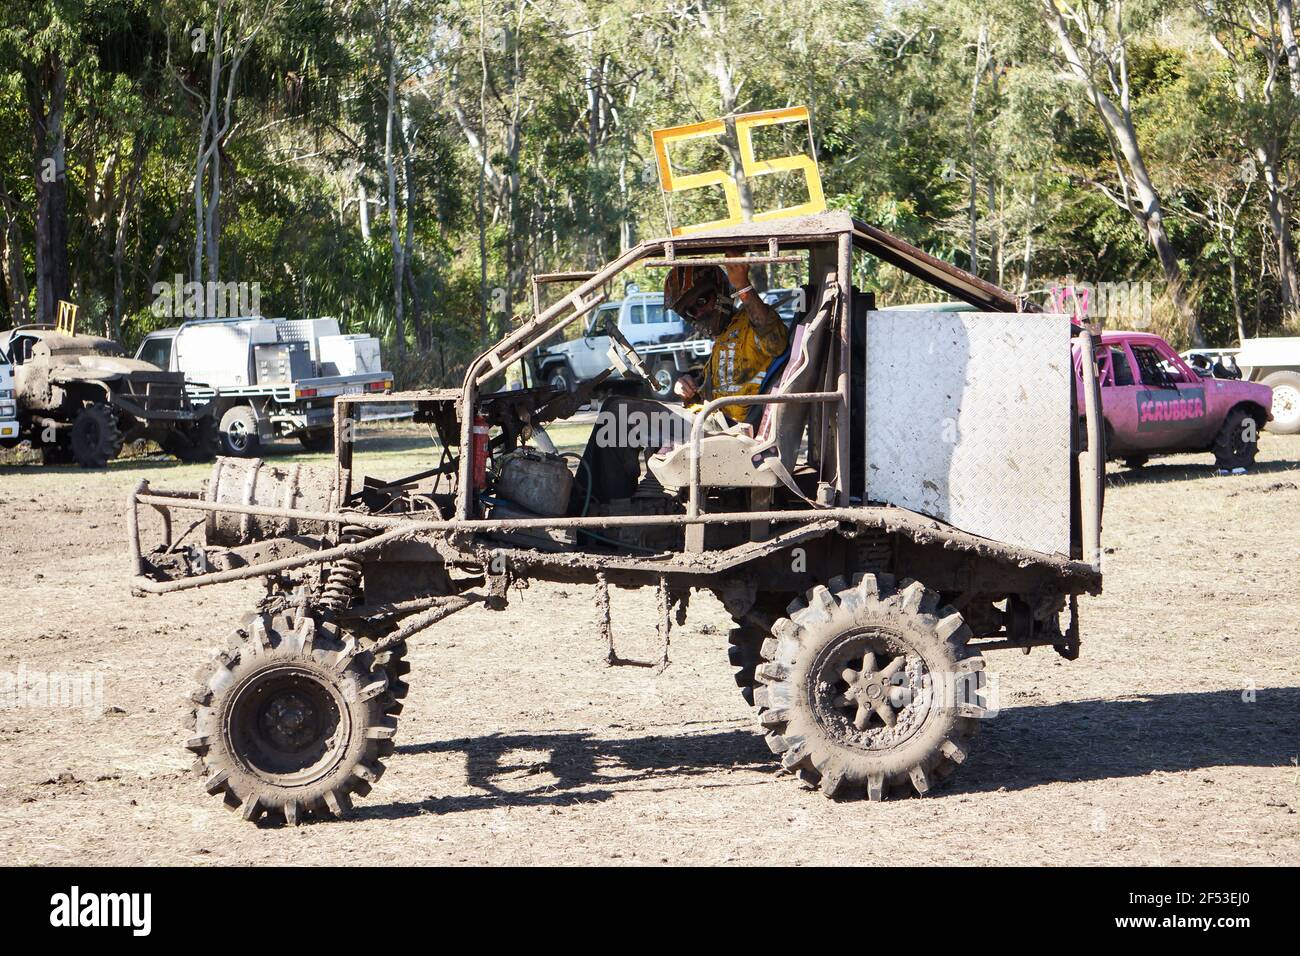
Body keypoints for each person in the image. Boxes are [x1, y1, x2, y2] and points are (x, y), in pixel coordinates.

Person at [665, 263, 789, 422]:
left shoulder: (750, 325)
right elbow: (710, 391)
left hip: (736, 432)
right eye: (692, 311)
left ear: (719, 290)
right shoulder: (723, 337)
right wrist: (687, 387)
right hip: (713, 424)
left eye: (702, 301)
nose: (700, 312)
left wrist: (742, 285)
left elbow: (775, 343)